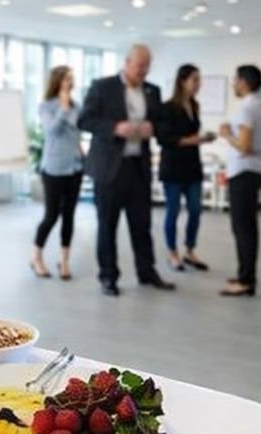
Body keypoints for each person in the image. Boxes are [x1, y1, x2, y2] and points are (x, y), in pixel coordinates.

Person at [78, 44, 174, 297]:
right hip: (109, 169)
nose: (144, 70)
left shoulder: (153, 91)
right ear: (127, 62)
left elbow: (163, 123)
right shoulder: (102, 86)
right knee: (107, 225)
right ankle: (108, 276)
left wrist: (152, 128)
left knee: (141, 225)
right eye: (140, 65)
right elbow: (85, 120)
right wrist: (115, 128)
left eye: (147, 65)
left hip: (138, 168)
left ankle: (147, 272)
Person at [218, 64, 261, 297]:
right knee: (248, 226)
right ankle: (245, 274)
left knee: (242, 228)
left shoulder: (246, 108)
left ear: (243, 82)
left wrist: (226, 134)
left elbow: (243, 145)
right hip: (259, 169)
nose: (233, 84)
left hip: (243, 172)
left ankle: (246, 280)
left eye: (235, 80)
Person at [156, 64, 215, 272]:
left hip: (192, 167)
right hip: (173, 168)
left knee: (196, 210)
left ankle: (190, 249)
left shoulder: (194, 106)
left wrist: (202, 139)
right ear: (182, 81)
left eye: (199, 80)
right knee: (173, 211)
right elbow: (165, 139)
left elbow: (192, 136)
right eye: (195, 80)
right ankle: (172, 252)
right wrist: (195, 140)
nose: (198, 84)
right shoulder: (167, 108)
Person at [31, 65, 84, 281]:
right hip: (53, 168)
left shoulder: (77, 106)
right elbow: (51, 131)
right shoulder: (46, 106)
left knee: (69, 216)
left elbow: (77, 134)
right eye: (66, 79)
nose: (70, 83)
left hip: (75, 167)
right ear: (57, 82)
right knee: (51, 216)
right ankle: (36, 256)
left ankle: (64, 262)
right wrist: (62, 108)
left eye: (72, 79)